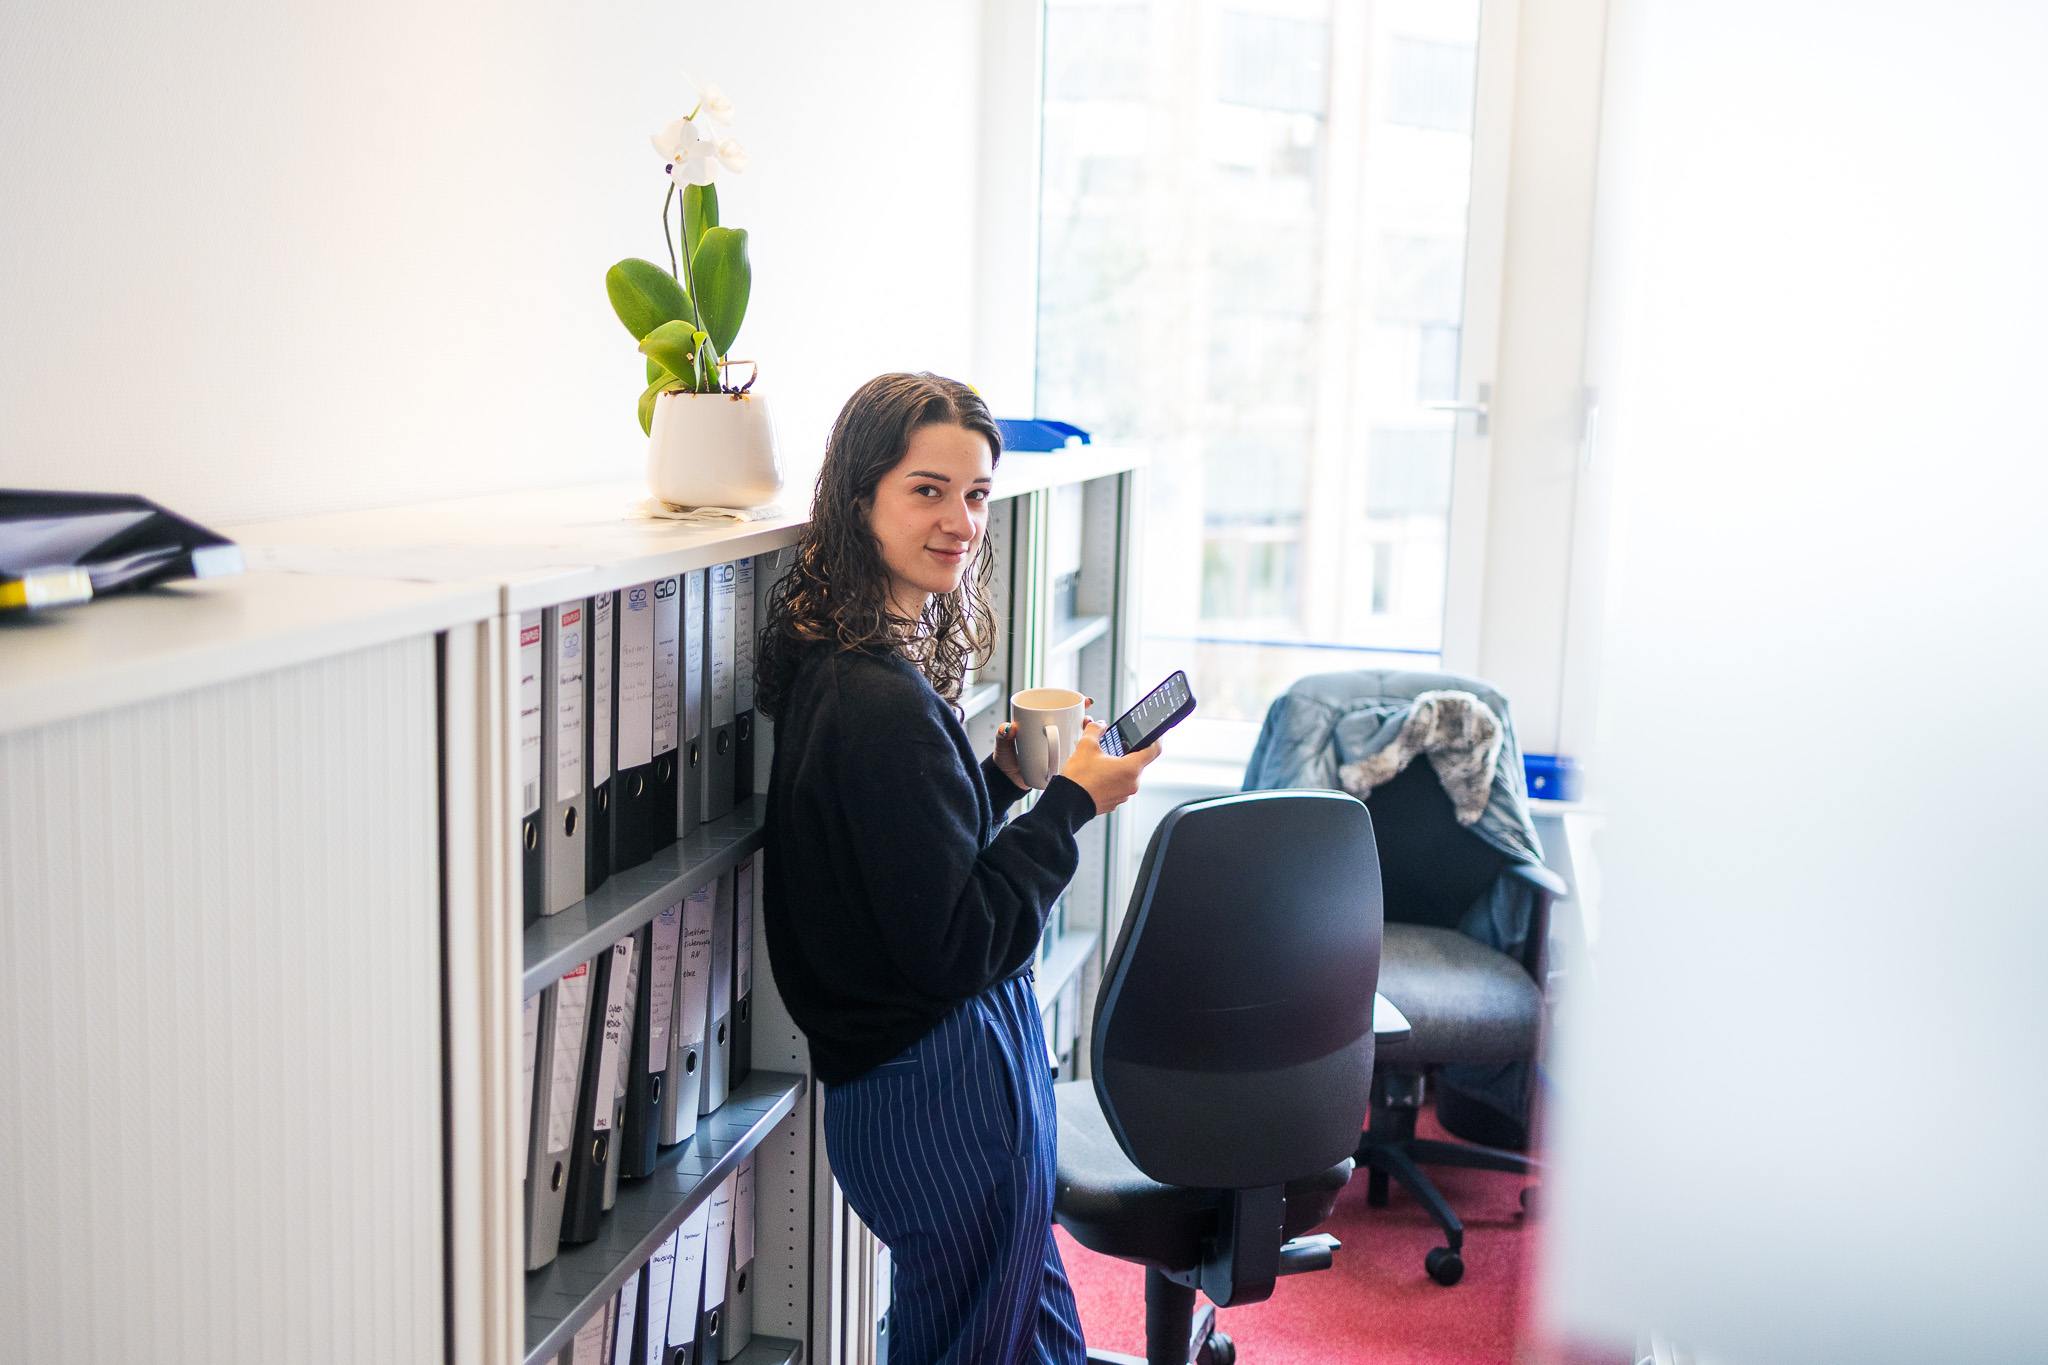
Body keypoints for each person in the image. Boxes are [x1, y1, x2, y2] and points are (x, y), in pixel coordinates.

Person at [755, 372, 1159, 1364]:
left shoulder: (849, 665)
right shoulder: (877, 700)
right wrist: (1072, 803)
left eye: (974, 495)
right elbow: (955, 939)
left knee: (1027, 1329)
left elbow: (905, 864)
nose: (961, 522)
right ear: (861, 499)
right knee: (972, 1344)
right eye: (926, 490)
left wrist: (999, 776)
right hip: (935, 1084)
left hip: (911, 1077)